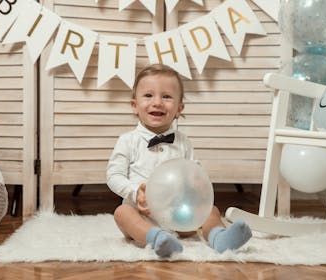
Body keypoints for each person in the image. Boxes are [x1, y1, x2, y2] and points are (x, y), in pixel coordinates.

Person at [106, 64, 252, 257]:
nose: (157, 102)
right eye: (148, 95)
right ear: (134, 106)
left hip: (179, 214)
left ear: (179, 108)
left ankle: (220, 238)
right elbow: (114, 175)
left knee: (211, 211)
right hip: (143, 214)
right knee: (122, 213)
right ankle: (156, 239)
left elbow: (194, 170)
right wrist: (135, 193)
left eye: (166, 96)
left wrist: (198, 183)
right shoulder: (128, 140)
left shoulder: (183, 141)